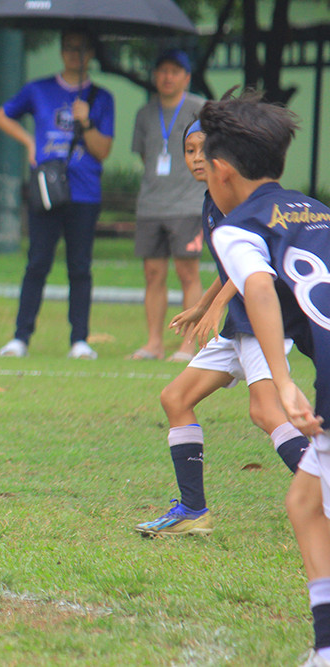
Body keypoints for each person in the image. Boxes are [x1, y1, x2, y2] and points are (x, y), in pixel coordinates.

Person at [134, 119, 310, 537]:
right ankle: (193, 510)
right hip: (239, 321)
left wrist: (218, 305)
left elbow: (254, 262)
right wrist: (203, 305)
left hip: (259, 319)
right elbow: (230, 265)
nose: (197, 158)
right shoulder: (212, 198)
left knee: (266, 411)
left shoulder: (236, 197)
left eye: (204, 150)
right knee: (176, 398)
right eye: (189, 150)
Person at [202, 92, 330, 666]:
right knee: (305, 502)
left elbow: (256, 288)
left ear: (222, 171)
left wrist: (281, 381)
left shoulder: (237, 227)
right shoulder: (318, 210)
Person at [0, 28, 114, 360]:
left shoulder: (102, 98)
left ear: (91, 54)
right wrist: (29, 142)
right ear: (61, 52)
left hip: (85, 192)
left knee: (80, 267)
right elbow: (2, 116)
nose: (75, 54)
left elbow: (103, 150)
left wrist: (85, 122)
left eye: (81, 48)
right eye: (69, 48)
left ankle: (80, 340)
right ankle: (20, 337)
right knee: (37, 263)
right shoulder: (38, 89)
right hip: (46, 188)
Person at [129, 50, 206, 363]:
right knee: (152, 274)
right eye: (162, 70)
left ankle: (188, 345)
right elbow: (144, 156)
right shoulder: (145, 113)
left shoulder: (200, 109)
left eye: (175, 71)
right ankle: (154, 343)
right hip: (151, 204)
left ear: (186, 77)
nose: (167, 77)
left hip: (187, 204)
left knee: (187, 273)